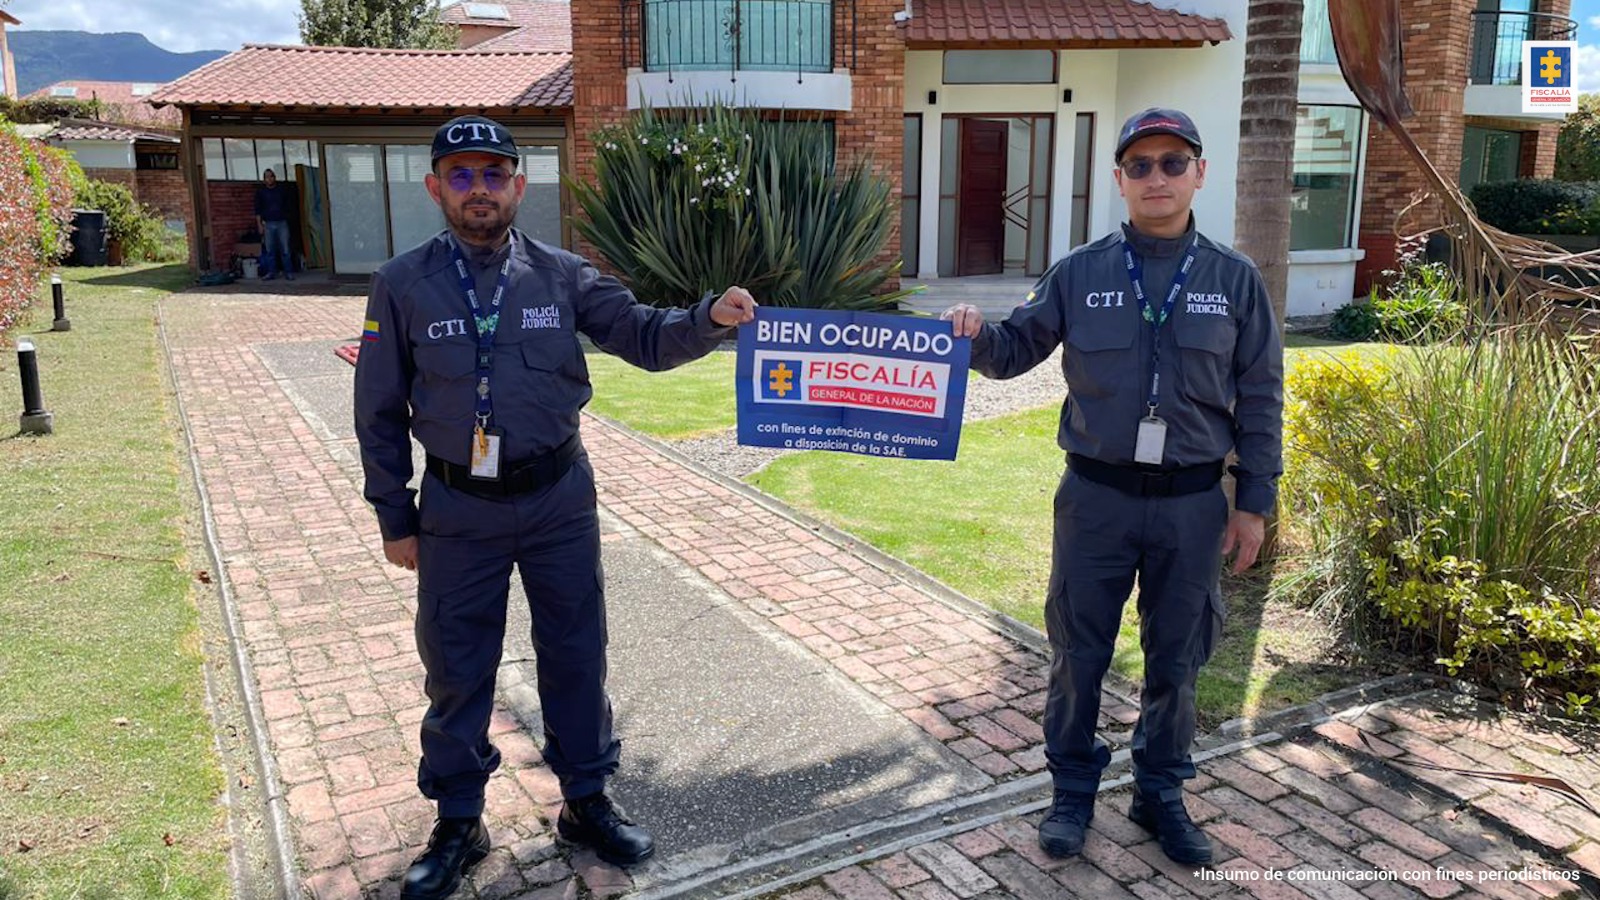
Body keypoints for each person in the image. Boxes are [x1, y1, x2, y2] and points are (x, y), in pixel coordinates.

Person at [354, 114, 758, 900]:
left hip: (558, 499)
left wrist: (709, 318)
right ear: (435, 187)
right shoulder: (400, 284)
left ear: (519, 185)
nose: (479, 189)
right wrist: (394, 516)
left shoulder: (564, 274)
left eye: (494, 174)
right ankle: (460, 820)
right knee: (456, 665)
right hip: (456, 507)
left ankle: (585, 802)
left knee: (576, 653)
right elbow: (376, 409)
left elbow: (643, 335)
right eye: (462, 175)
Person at [942, 108, 1283, 866]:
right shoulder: (1081, 271)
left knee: (1178, 658)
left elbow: (1262, 397)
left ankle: (1159, 792)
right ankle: (1071, 790)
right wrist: (972, 333)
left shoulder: (1234, 279)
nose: (1156, 177)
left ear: (1199, 173)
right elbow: (1012, 351)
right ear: (1120, 179)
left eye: (1172, 162)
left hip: (1193, 504)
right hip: (1095, 500)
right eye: (1140, 165)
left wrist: (1254, 504)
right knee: (1078, 651)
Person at [254, 168, 294, 280]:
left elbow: (288, 205)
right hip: (268, 223)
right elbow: (257, 210)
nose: (269, 179)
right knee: (270, 250)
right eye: (267, 177)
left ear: (274, 177)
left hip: (282, 222)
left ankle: (288, 272)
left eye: (271, 176)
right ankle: (271, 272)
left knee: (285, 249)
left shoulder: (281, 191)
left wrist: (287, 216)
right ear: (264, 179)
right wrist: (259, 225)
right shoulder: (261, 193)